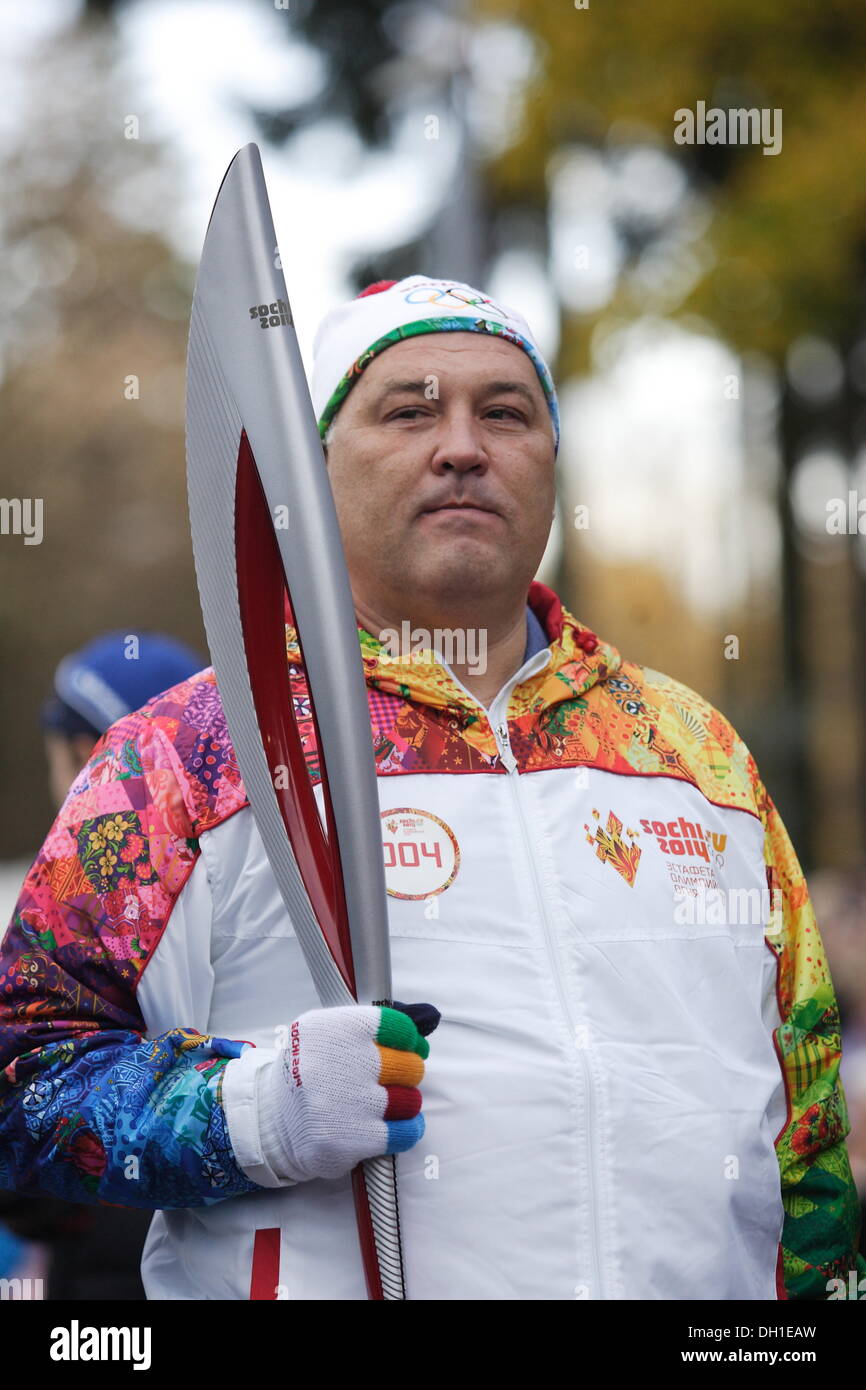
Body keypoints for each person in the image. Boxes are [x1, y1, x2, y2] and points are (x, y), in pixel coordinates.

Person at [0, 274, 861, 1300]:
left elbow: (806, 1136)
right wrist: (248, 1110)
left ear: (548, 463)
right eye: (407, 410)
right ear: (311, 474)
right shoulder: (192, 755)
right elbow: (24, 1082)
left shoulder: (693, 756)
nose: (462, 444)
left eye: (505, 412)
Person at [0, 630, 203, 1299]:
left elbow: (26, 1155)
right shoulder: (241, 878)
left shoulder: (71, 899)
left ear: (92, 756)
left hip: (109, 1283)